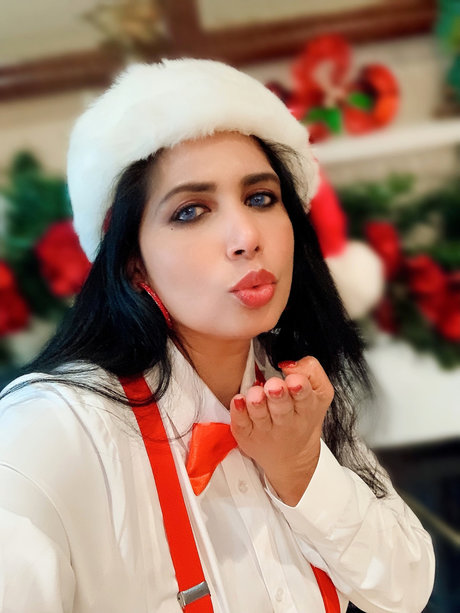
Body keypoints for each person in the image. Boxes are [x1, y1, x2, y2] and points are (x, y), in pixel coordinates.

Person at [0, 59, 434, 613]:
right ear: (133, 262)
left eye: (260, 198)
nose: (246, 236)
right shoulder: (46, 431)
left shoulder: (300, 393)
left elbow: (404, 590)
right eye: (191, 211)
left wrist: (302, 468)